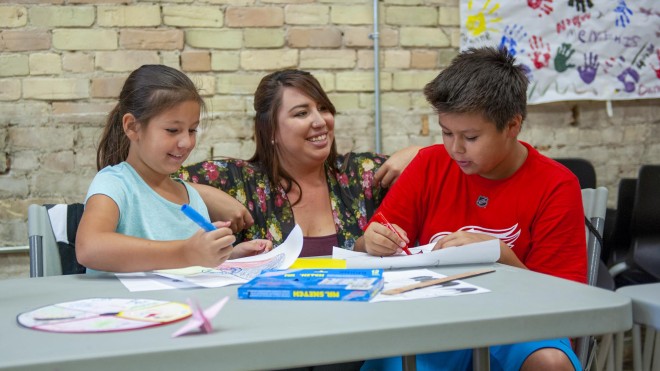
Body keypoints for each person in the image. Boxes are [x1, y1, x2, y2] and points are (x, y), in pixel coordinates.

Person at [358, 47, 587, 371]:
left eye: (471, 136)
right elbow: (365, 249)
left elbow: (565, 302)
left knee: (549, 362)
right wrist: (371, 242)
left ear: (512, 126)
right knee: (396, 359)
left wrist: (501, 255)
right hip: (431, 319)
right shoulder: (428, 164)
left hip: (520, 320)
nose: (455, 148)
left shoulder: (556, 184)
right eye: (446, 132)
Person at [180, 69, 420, 258]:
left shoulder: (362, 175)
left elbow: (451, 156)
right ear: (271, 129)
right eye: (302, 113)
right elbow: (151, 177)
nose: (320, 121)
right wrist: (206, 194)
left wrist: (418, 152)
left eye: (323, 108)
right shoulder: (239, 181)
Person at [76, 64, 271, 273]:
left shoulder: (192, 198)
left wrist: (227, 256)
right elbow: (89, 248)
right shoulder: (115, 184)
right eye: (172, 130)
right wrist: (187, 252)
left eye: (192, 130)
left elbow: (183, 266)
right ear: (132, 127)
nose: (186, 142)